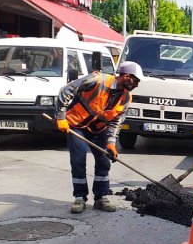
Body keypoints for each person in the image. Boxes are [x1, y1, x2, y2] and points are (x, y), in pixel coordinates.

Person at [56, 61, 142, 214]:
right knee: (78, 160)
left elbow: (116, 122)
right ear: (126, 76)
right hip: (76, 125)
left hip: (98, 129)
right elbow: (66, 91)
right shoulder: (97, 80)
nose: (137, 84)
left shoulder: (126, 98)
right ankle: (80, 198)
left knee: (104, 161)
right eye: (136, 80)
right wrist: (61, 117)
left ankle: (101, 197)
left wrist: (111, 143)